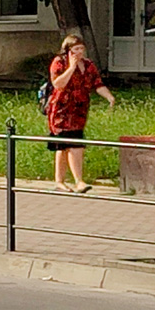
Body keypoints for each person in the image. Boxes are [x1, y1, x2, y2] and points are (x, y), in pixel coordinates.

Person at [47, 34, 115, 193]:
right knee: (71, 145)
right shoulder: (59, 63)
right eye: (75, 49)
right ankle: (78, 181)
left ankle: (60, 181)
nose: (79, 52)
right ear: (68, 50)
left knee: (65, 146)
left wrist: (109, 97)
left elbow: (97, 84)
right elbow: (58, 84)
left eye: (81, 49)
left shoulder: (89, 65)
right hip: (61, 110)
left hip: (79, 110)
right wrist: (71, 67)